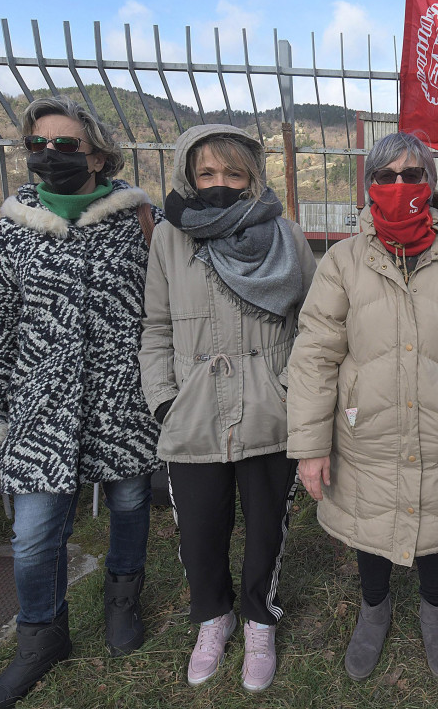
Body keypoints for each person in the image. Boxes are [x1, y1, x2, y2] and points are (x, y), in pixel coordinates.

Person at [0, 96, 160, 709]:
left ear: (97, 151)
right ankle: (40, 636)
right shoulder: (15, 224)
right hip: (39, 406)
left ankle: (122, 605)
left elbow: (164, 309)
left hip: (121, 396)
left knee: (130, 503)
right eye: (39, 145)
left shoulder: (137, 219)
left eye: (66, 145)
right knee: (35, 532)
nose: (52, 156)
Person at [286, 131, 438, 682]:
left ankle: (436, 612)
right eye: (385, 177)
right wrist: (311, 445)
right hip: (367, 430)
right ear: (369, 187)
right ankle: (374, 609)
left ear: (430, 185)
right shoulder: (342, 260)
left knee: (435, 523)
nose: (398, 186)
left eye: (412, 176)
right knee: (371, 521)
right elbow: (315, 352)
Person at [138, 124, 316, 691]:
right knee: (198, 529)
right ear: (188, 176)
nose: (219, 183)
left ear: (252, 176)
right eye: (207, 173)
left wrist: (286, 385)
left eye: (233, 173)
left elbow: (313, 324)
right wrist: (164, 398)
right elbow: (155, 327)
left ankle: (260, 619)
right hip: (192, 411)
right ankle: (213, 618)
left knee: (267, 525)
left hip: (270, 409)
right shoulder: (170, 238)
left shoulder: (285, 236)